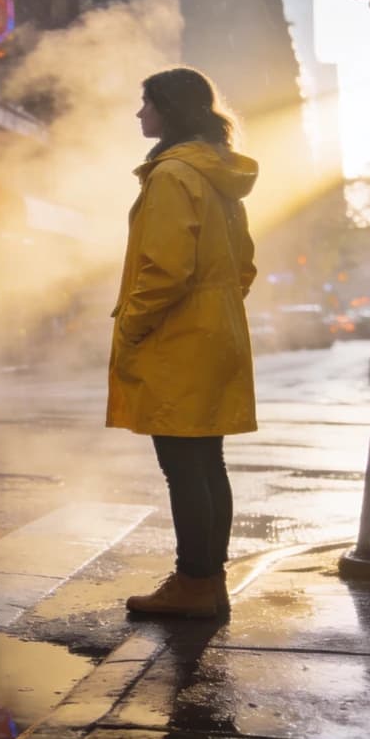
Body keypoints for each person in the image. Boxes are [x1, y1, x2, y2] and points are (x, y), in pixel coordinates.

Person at [107, 67, 258, 619]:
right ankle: (206, 581)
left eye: (146, 102)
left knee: (184, 468)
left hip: (178, 338)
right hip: (215, 334)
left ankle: (195, 583)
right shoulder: (217, 175)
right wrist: (213, 313)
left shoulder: (172, 175)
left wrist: (132, 325)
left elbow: (166, 269)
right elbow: (244, 265)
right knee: (207, 462)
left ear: (169, 109)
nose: (139, 113)